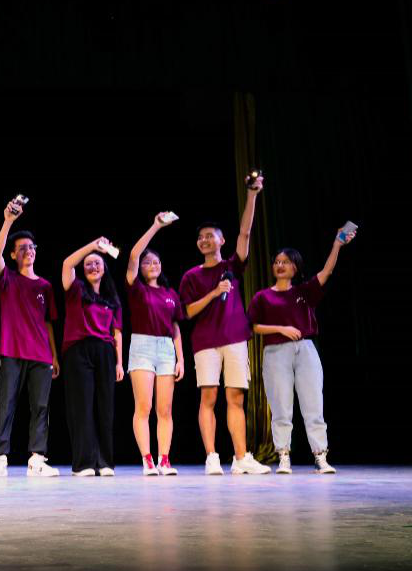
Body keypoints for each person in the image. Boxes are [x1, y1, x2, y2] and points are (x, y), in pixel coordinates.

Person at [178, 173, 269, 475]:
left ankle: (241, 457)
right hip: (205, 342)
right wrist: (214, 293)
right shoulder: (191, 276)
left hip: (234, 339)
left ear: (221, 240)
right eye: (201, 237)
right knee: (208, 397)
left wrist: (252, 195)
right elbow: (187, 311)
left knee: (235, 397)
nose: (205, 240)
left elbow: (245, 233)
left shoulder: (232, 266)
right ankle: (212, 456)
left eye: (210, 236)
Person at [248, 227, 356, 474]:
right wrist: (281, 328)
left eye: (285, 262)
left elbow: (327, 272)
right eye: (277, 262)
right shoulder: (262, 297)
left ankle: (320, 455)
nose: (280, 265)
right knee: (280, 407)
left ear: (295, 267)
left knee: (313, 403)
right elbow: (253, 326)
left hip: (305, 350)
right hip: (275, 352)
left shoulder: (303, 292)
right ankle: (283, 455)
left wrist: (337, 244)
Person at [0, 197, 61, 478]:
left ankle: (37, 459)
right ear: (14, 255)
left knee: (41, 406)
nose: (28, 251)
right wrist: (8, 221)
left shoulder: (45, 286)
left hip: (41, 354)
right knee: (6, 404)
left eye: (31, 247)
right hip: (12, 351)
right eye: (22, 248)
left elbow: (48, 323)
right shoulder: (8, 279)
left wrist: (54, 356)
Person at [125, 213, 185, 476]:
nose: (152, 265)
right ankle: (147, 460)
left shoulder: (170, 294)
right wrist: (156, 226)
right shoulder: (137, 288)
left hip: (166, 349)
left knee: (165, 409)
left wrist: (181, 359)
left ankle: (164, 459)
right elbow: (133, 255)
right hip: (142, 346)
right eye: (147, 262)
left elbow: (175, 327)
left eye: (156, 261)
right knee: (144, 407)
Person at [61, 238, 124, 477]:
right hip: (78, 350)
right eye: (88, 264)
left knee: (105, 407)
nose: (93, 267)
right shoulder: (75, 288)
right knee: (82, 407)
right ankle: (84, 463)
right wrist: (92, 247)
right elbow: (67, 264)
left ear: (105, 268)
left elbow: (117, 333)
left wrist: (119, 362)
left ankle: (105, 461)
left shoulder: (111, 298)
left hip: (105, 352)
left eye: (97, 263)